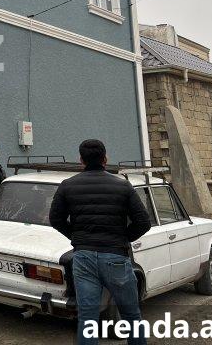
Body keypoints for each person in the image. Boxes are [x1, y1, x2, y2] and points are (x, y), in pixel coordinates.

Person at [49, 139, 151, 345]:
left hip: (83, 257)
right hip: (116, 256)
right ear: (105, 159)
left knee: (87, 319)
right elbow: (143, 222)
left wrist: (76, 237)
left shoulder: (68, 185)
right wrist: (123, 238)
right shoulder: (123, 185)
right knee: (131, 315)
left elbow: (55, 219)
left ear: (81, 160)